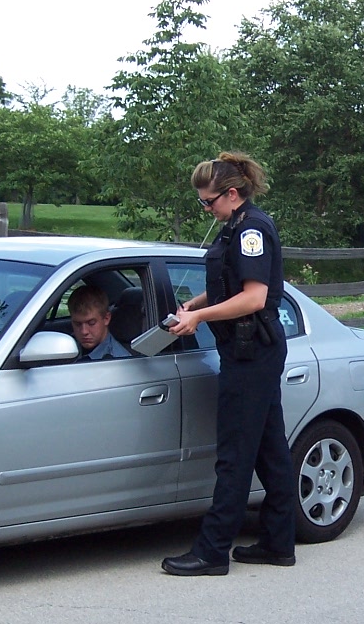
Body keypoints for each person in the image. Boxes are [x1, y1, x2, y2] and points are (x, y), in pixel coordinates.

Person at [161, 151, 295, 576]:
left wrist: (198, 319)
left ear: (232, 194)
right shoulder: (235, 227)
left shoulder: (251, 229)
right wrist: (194, 304)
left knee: (235, 453)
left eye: (208, 201)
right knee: (270, 450)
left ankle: (213, 551)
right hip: (248, 350)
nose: (206, 209)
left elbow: (255, 297)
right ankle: (278, 541)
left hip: (251, 352)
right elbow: (230, 286)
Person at [68, 284, 131, 360]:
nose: (84, 331)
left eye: (91, 323)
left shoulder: (119, 361)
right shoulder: (66, 346)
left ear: (106, 318)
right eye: (77, 324)